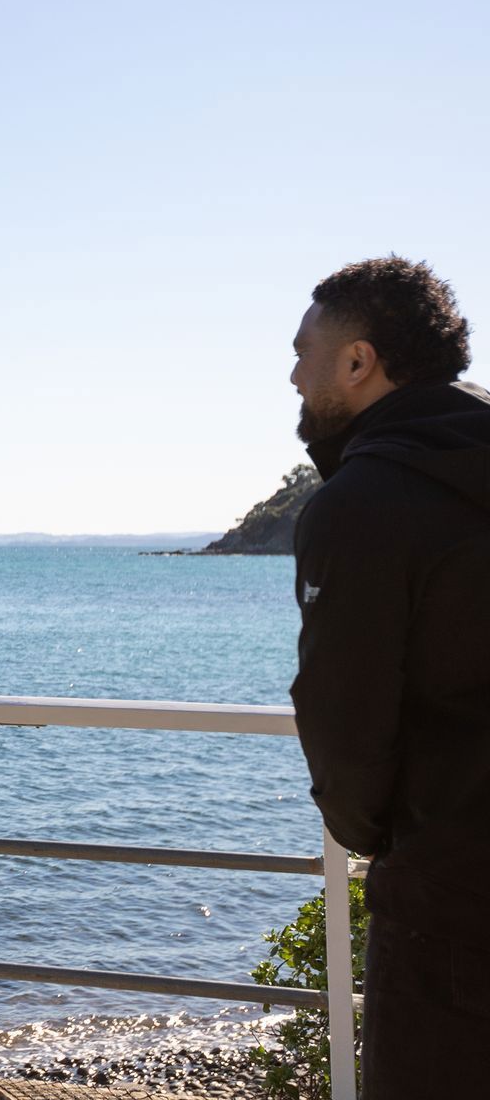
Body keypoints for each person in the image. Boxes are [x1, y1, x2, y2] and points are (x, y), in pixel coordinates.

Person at [285, 256, 490, 1097]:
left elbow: (344, 720)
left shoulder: (364, 503)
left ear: (358, 361)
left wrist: (376, 837)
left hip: (453, 902)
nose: (293, 376)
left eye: (302, 353)